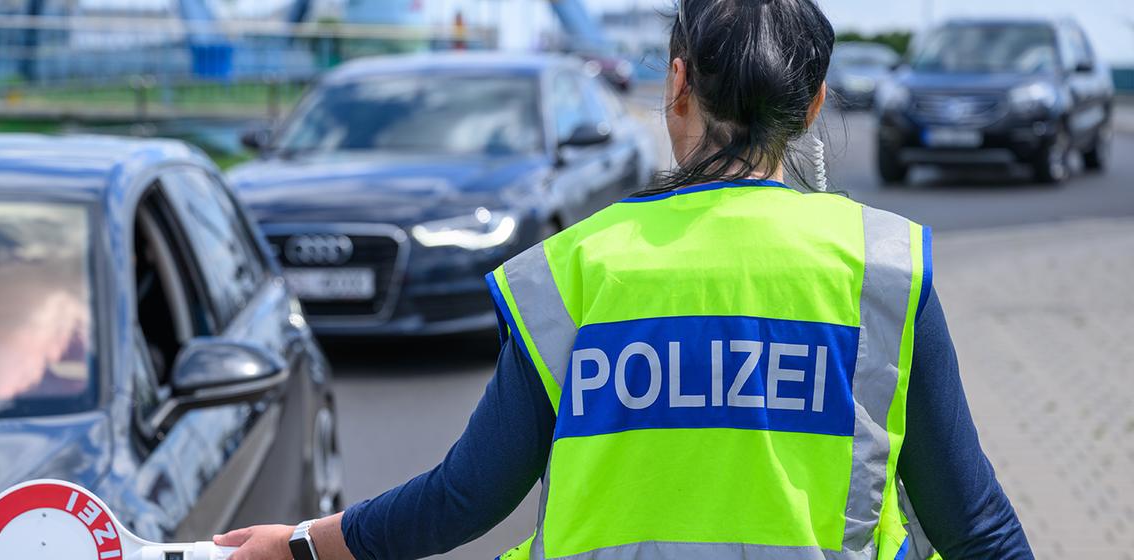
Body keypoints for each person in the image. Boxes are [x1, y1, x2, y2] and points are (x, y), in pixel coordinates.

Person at [214, 0, 1035, 558]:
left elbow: (465, 496)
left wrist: (299, 544)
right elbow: (978, 529)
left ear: (677, 84)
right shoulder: (883, 265)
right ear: (813, 103)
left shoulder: (579, 268)